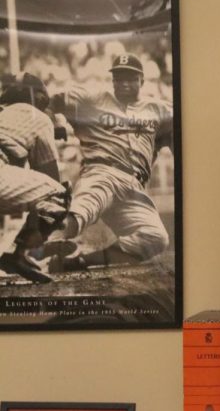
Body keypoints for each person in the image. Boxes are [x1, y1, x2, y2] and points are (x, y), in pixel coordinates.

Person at [45, 53, 173, 272]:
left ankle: (79, 262)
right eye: (119, 77)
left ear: (142, 80)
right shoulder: (91, 100)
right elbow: (47, 100)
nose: (123, 83)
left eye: (130, 78)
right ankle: (39, 250)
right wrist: (53, 120)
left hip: (133, 187)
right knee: (80, 213)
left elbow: (181, 131)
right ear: (112, 80)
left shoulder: (158, 110)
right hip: (101, 173)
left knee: (155, 238)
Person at [0, 72, 71, 283]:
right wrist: (39, 230)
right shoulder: (37, 117)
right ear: (38, 96)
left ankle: (15, 254)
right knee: (58, 196)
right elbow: (50, 178)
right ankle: (16, 254)